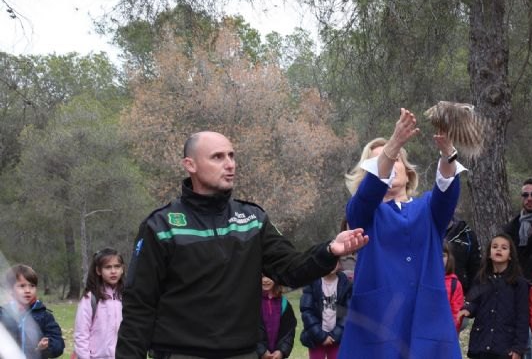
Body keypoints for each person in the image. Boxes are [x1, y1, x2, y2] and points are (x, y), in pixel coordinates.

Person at [115, 131, 368, 359]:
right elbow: (139, 306)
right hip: (181, 353)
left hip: (244, 353)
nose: (230, 164)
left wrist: (329, 250)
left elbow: (290, 268)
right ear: (189, 165)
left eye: (232, 156)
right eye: (217, 157)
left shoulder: (252, 220)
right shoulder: (161, 225)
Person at [338, 108, 466, 359]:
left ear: (407, 171)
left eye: (396, 158)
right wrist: (394, 143)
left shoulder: (428, 209)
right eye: (381, 161)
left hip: (426, 321)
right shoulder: (363, 212)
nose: (390, 162)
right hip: (378, 323)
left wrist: (448, 151)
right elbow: (366, 196)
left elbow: (447, 190)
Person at [458, 234, 529, 358]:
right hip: (481, 342)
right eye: (495, 246)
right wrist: (467, 310)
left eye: (504, 247)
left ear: (511, 255)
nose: (499, 249)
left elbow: (522, 317)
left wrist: (518, 348)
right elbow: (474, 301)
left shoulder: (519, 283)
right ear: (489, 254)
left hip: (505, 346)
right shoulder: (481, 278)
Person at [0, 264, 65, 359]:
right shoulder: (3, 314)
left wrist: (47, 346)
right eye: (22, 286)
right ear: (11, 289)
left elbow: (58, 345)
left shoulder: (45, 316)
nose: (28, 290)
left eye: (32, 286)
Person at [73, 248, 125, 359]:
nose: (113, 271)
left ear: (122, 269)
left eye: (117, 266)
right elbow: (81, 335)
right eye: (108, 267)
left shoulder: (127, 297)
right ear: (98, 270)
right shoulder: (90, 299)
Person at [299, 263, 351, 359]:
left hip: (337, 338)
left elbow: (347, 313)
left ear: (339, 263)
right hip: (316, 337)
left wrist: (336, 334)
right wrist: (320, 335)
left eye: (334, 261)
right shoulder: (312, 283)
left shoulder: (345, 284)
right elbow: (307, 311)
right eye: (327, 261)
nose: (330, 264)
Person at [256, 275, 296, 359]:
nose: (266, 280)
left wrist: (281, 351)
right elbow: (247, 330)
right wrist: (261, 351)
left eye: (269, 276)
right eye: (262, 277)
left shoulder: (284, 304)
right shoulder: (251, 303)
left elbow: (289, 333)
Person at [445, 216, 482, 293]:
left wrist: (471, 297)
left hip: (460, 294)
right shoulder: (425, 231)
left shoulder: (466, 234)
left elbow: (475, 270)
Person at [443, 242, 464, 333]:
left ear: (449, 258)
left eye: (443, 255)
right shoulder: (422, 280)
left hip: (445, 334)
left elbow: (456, 313)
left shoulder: (454, 284)